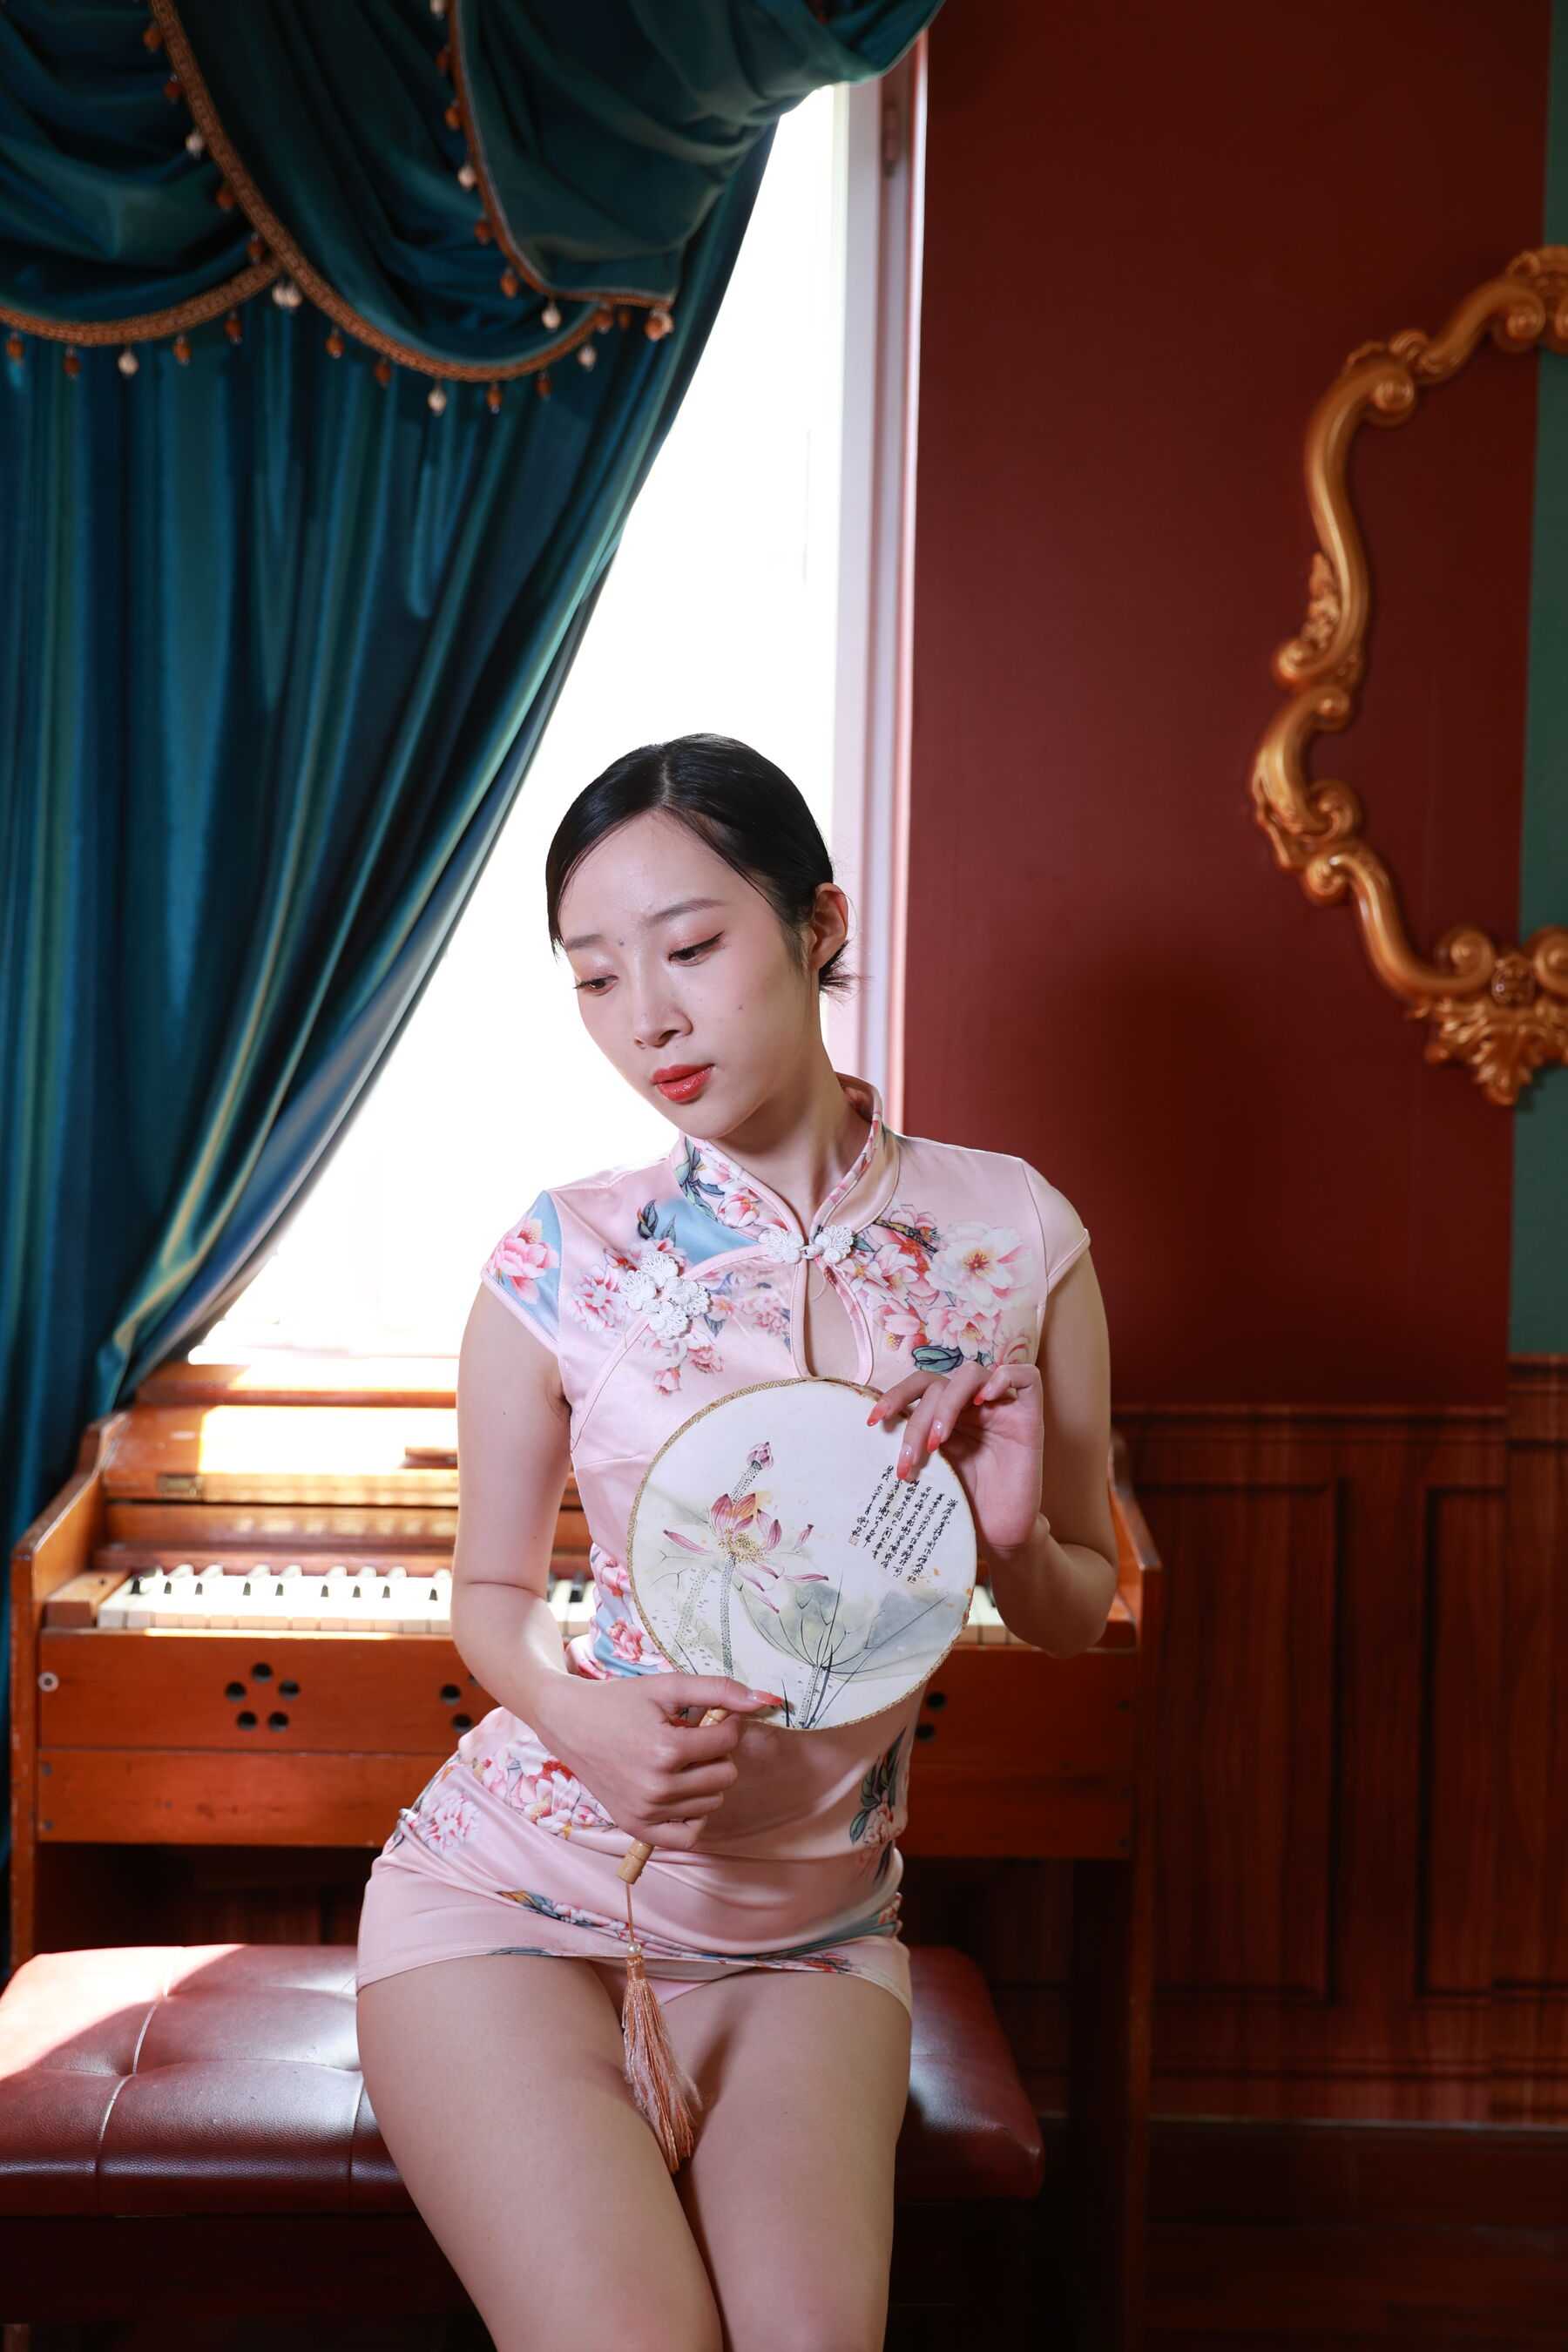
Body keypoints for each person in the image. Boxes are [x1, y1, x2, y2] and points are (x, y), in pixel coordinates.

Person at [354, 732, 1118, 2352]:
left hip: (811, 1934)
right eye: (594, 976)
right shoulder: (559, 1257)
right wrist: (577, 1717)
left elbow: (1074, 1603)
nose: (647, 1017)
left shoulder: (1016, 1238)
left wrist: (1005, 1541)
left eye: (690, 947)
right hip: (517, 1897)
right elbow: (492, 1597)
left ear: (817, 924)